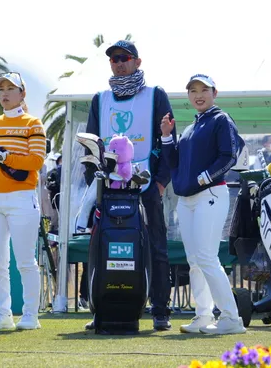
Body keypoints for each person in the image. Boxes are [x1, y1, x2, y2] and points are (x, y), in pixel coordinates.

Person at [83, 39, 174, 331]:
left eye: (125, 57)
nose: (119, 63)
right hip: (109, 188)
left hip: (146, 186)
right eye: (114, 59)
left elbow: (168, 140)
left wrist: (160, 183)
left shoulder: (155, 95)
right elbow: (91, 143)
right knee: (101, 246)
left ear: (137, 61)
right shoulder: (100, 99)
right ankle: (101, 308)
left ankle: (160, 310)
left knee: (156, 248)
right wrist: (95, 181)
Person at [160, 74, 246, 334]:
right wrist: (166, 136)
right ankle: (203, 315)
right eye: (193, 91)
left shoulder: (221, 119)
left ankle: (231, 318)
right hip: (187, 199)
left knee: (206, 257)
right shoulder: (191, 127)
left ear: (214, 93)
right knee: (195, 260)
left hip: (210, 194)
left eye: (204, 90)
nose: (198, 95)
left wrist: (207, 176)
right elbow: (174, 163)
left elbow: (230, 155)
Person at [0, 72, 47, 331]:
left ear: (22, 93)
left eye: (10, 88)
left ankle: (30, 315)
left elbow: (35, 161)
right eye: (1, 89)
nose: (4, 93)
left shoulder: (33, 124)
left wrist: (3, 157)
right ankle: (3, 314)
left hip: (21, 198)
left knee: (25, 261)